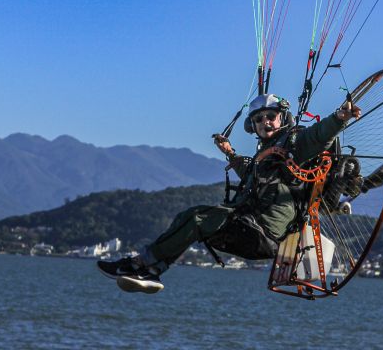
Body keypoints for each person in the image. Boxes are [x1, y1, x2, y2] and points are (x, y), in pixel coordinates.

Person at [97, 94, 360, 293]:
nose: (265, 122)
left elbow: (317, 136)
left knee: (198, 219)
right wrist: (231, 154)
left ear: (282, 118)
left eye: (270, 116)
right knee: (190, 216)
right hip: (247, 224)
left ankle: (146, 265)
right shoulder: (264, 153)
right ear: (253, 126)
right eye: (259, 119)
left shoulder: (294, 145)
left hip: (263, 231)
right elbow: (251, 174)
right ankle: (149, 268)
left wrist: (339, 118)